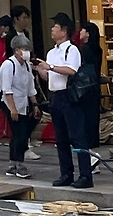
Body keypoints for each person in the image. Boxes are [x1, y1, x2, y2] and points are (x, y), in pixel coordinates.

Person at [36, 13, 85, 187]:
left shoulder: (72, 50)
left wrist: (50, 67)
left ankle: (85, 175)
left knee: (77, 136)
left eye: (55, 27)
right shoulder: (51, 52)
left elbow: (71, 70)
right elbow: (49, 76)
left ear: (64, 31)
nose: (52, 29)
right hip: (55, 95)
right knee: (61, 138)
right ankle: (66, 173)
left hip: (69, 96)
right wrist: (39, 68)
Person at [0, 33, 37, 178]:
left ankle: (13, 164)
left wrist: (35, 104)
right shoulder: (8, 65)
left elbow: (30, 87)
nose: (26, 52)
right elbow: (6, 89)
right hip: (10, 103)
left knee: (20, 134)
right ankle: (19, 164)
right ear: (16, 50)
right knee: (20, 134)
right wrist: (13, 109)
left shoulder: (26, 66)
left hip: (23, 104)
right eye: (24, 49)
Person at [73, 22, 104, 186]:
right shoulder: (98, 49)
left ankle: (91, 158)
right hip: (94, 90)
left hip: (83, 91)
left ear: (88, 33)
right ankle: (93, 158)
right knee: (92, 122)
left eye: (82, 30)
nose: (80, 33)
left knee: (83, 125)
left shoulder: (83, 50)